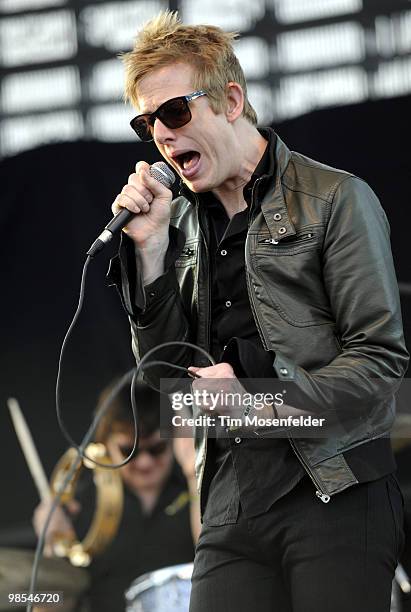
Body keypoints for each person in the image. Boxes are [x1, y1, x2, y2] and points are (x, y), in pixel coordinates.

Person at [108, 10, 410, 612]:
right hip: (231, 502)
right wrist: (148, 253)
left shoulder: (334, 198)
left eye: (175, 111)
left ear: (231, 99)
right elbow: (165, 381)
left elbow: (379, 366)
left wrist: (257, 403)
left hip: (335, 489)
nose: (163, 134)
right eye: (148, 124)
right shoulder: (181, 225)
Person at [33, 380, 199, 611]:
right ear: (104, 444)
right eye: (128, 451)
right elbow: (55, 603)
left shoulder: (195, 490)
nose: (144, 462)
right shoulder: (80, 506)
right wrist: (52, 548)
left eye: (156, 449)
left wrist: (194, 471)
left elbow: (218, 563)